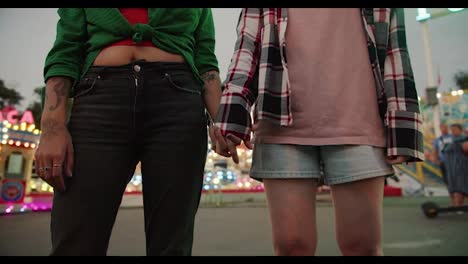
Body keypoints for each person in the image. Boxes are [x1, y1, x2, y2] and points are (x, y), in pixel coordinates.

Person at [212, 8, 423, 256]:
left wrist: (403, 125)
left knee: (362, 248)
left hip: (359, 121)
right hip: (280, 124)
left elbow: (394, 51)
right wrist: (230, 117)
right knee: (292, 247)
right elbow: (247, 48)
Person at [35, 8, 221, 256]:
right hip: (99, 102)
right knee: (75, 241)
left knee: (172, 246)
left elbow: (205, 59)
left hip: (178, 104)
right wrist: (52, 126)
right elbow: (66, 50)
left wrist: (221, 120)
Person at [442, 123, 468, 208]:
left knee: (461, 185)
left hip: (461, 167)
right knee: (453, 185)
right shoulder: (451, 141)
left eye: (455, 130)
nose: (453, 131)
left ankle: (459, 205)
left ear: (461, 130)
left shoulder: (464, 140)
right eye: (452, 130)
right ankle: (455, 204)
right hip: (450, 167)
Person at [431, 123, 454, 202]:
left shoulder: (453, 137)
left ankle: (460, 199)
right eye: (441, 127)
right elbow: (435, 151)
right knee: (447, 181)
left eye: (445, 127)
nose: (443, 129)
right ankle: (452, 199)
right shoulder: (438, 140)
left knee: (457, 180)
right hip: (444, 163)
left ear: (447, 128)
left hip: (455, 163)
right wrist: (436, 161)